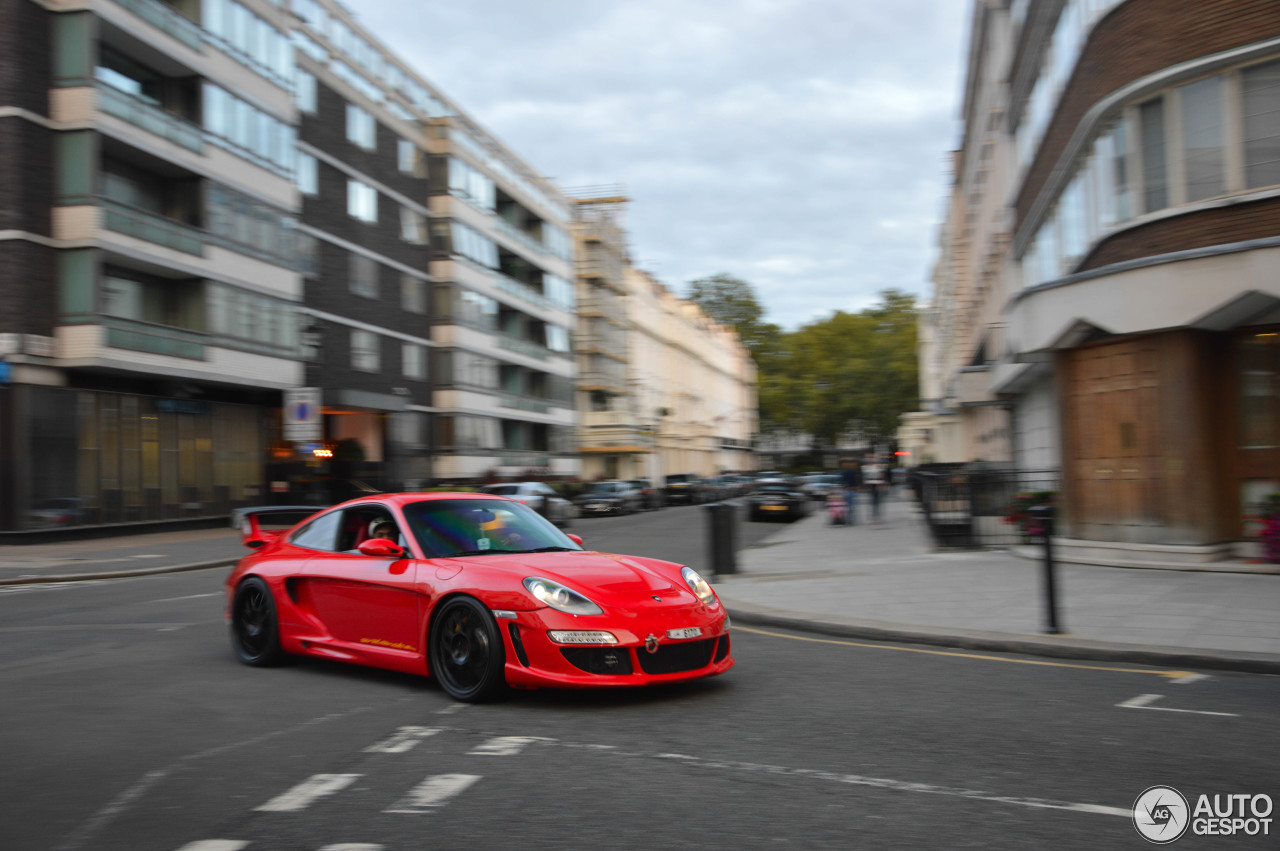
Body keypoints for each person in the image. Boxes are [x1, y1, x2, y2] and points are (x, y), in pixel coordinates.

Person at [863, 455, 887, 522]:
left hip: (877, 485)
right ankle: (875, 516)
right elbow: (866, 478)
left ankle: (877, 516)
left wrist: (882, 484)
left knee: (877, 502)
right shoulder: (868, 468)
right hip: (872, 486)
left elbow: (882, 477)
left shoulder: (879, 468)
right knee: (874, 502)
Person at [840, 458, 862, 526]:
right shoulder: (852, 472)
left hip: (850, 490)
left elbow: (842, 482)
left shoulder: (852, 471)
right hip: (850, 490)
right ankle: (850, 520)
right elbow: (843, 482)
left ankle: (849, 520)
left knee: (849, 506)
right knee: (851, 506)